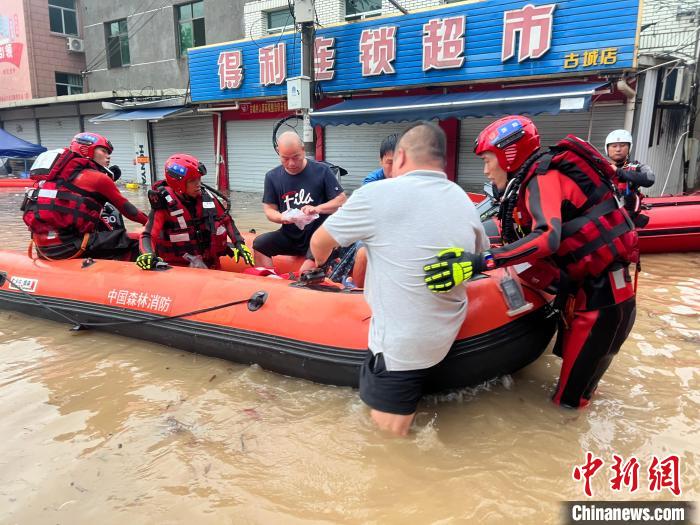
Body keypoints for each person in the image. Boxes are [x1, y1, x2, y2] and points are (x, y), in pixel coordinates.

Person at [423, 116, 639, 410]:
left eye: (488, 161)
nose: (485, 171)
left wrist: (478, 262)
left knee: (568, 406)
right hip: (598, 295)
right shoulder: (533, 178)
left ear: (508, 155)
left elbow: (547, 237)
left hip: (602, 303)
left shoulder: (542, 175)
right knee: (580, 393)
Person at [310, 122, 489, 436]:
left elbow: (319, 242)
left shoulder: (377, 193)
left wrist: (320, 265)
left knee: (385, 442)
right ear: (441, 160)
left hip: (402, 347)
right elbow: (480, 255)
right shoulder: (463, 199)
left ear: (401, 156)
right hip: (449, 332)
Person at [21, 132, 148, 260]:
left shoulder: (50, 178)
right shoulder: (98, 178)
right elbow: (131, 212)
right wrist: (150, 224)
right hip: (70, 247)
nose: (108, 156)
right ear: (85, 150)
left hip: (42, 248)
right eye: (104, 151)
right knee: (139, 240)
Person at [136, 153, 252, 270]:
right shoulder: (163, 203)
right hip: (178, 268)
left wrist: (239, 244)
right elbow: (148, 235)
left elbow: (227, 221)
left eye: (199, 179)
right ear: (178, 183)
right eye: (192, 181)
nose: (198, 184)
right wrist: (147, 254)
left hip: (210, 264)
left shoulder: (207, 197)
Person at [253, 131, 347, 273]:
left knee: (306, 272)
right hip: (290, 236)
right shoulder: (272, 177)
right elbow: (269, 210)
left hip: (318, 236)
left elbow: (341, 201)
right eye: (285, 158)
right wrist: (282, 217)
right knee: (260, 244)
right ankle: (270, 282)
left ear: (303, 150)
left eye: (296, 157)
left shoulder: (322, 171)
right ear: (278, 153)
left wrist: (317, 209)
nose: (291, 163)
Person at [605, 129, 655, 227]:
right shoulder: (601, 168)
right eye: (614, 146)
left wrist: (619, 172)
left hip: (629, 221)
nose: (618, 149)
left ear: (629, 148)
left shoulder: (636, 167)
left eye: (623, 145)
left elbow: (650, 178)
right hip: (607, 219)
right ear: (607, 149)